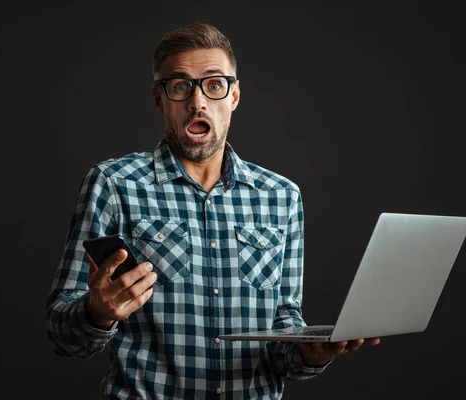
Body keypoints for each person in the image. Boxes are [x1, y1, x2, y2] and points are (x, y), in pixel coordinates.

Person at [46, 22, 380, 399]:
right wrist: (97, 313)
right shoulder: (113, 184)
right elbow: (63, 335)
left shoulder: (281, 196)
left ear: (234, 96)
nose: (198, 102)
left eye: (214, 84)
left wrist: (311, 353)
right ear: (159, 99)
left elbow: (285, 330)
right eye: (180, 85)